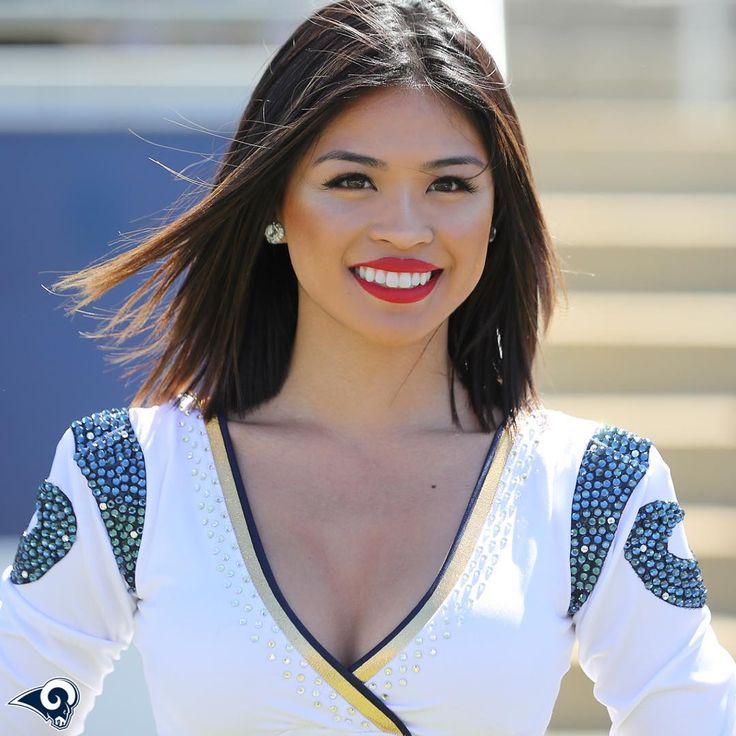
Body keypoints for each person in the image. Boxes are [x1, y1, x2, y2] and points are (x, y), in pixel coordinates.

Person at [1, 0, 734, 734]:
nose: (405, 230)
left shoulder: (595, 484)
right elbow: (24, 705)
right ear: (276, 204)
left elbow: (694, 717)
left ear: (497, 213)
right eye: (354, 181)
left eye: (449, 185)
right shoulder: (126, 471)